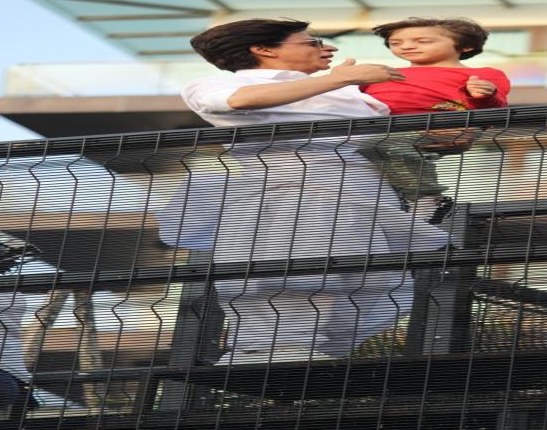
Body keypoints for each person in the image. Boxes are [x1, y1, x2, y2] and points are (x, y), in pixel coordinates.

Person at [157, 19, 450, 365]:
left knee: (366, 276)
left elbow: (384, 138)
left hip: (365, 192)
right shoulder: (219, 84)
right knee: (296, 269)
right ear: (264, 50)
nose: (327, 48)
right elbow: (239, 101)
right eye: (311, 42)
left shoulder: (342, 89)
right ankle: (266, 348)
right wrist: (339, 79)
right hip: (292, 192)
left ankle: (317, 347)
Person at [359, 18, 511, 222]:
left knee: (384, 144)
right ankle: (405, 200)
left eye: (423, 41)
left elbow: (495, 110)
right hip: (386, 132)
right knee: (378, 148)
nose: (407, 46)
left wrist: (484, 94)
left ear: (466, 46)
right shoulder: (380, 75)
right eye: (396, 43)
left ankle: (428, 199)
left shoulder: (482, 74)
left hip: (443, 127)